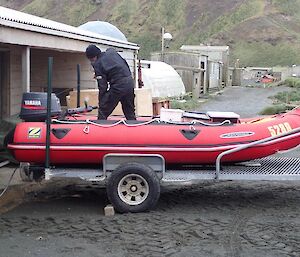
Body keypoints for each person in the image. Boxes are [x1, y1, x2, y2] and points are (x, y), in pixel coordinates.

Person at [85, 44, 136, 120]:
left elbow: (103, 86)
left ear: (93, 57)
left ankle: (99, 127)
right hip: (129, 82)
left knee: (103, 110)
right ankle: (133, 126)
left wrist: (101, 102)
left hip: (118, 86)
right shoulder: (112, 52)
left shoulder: (98, 64)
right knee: (129, 111)